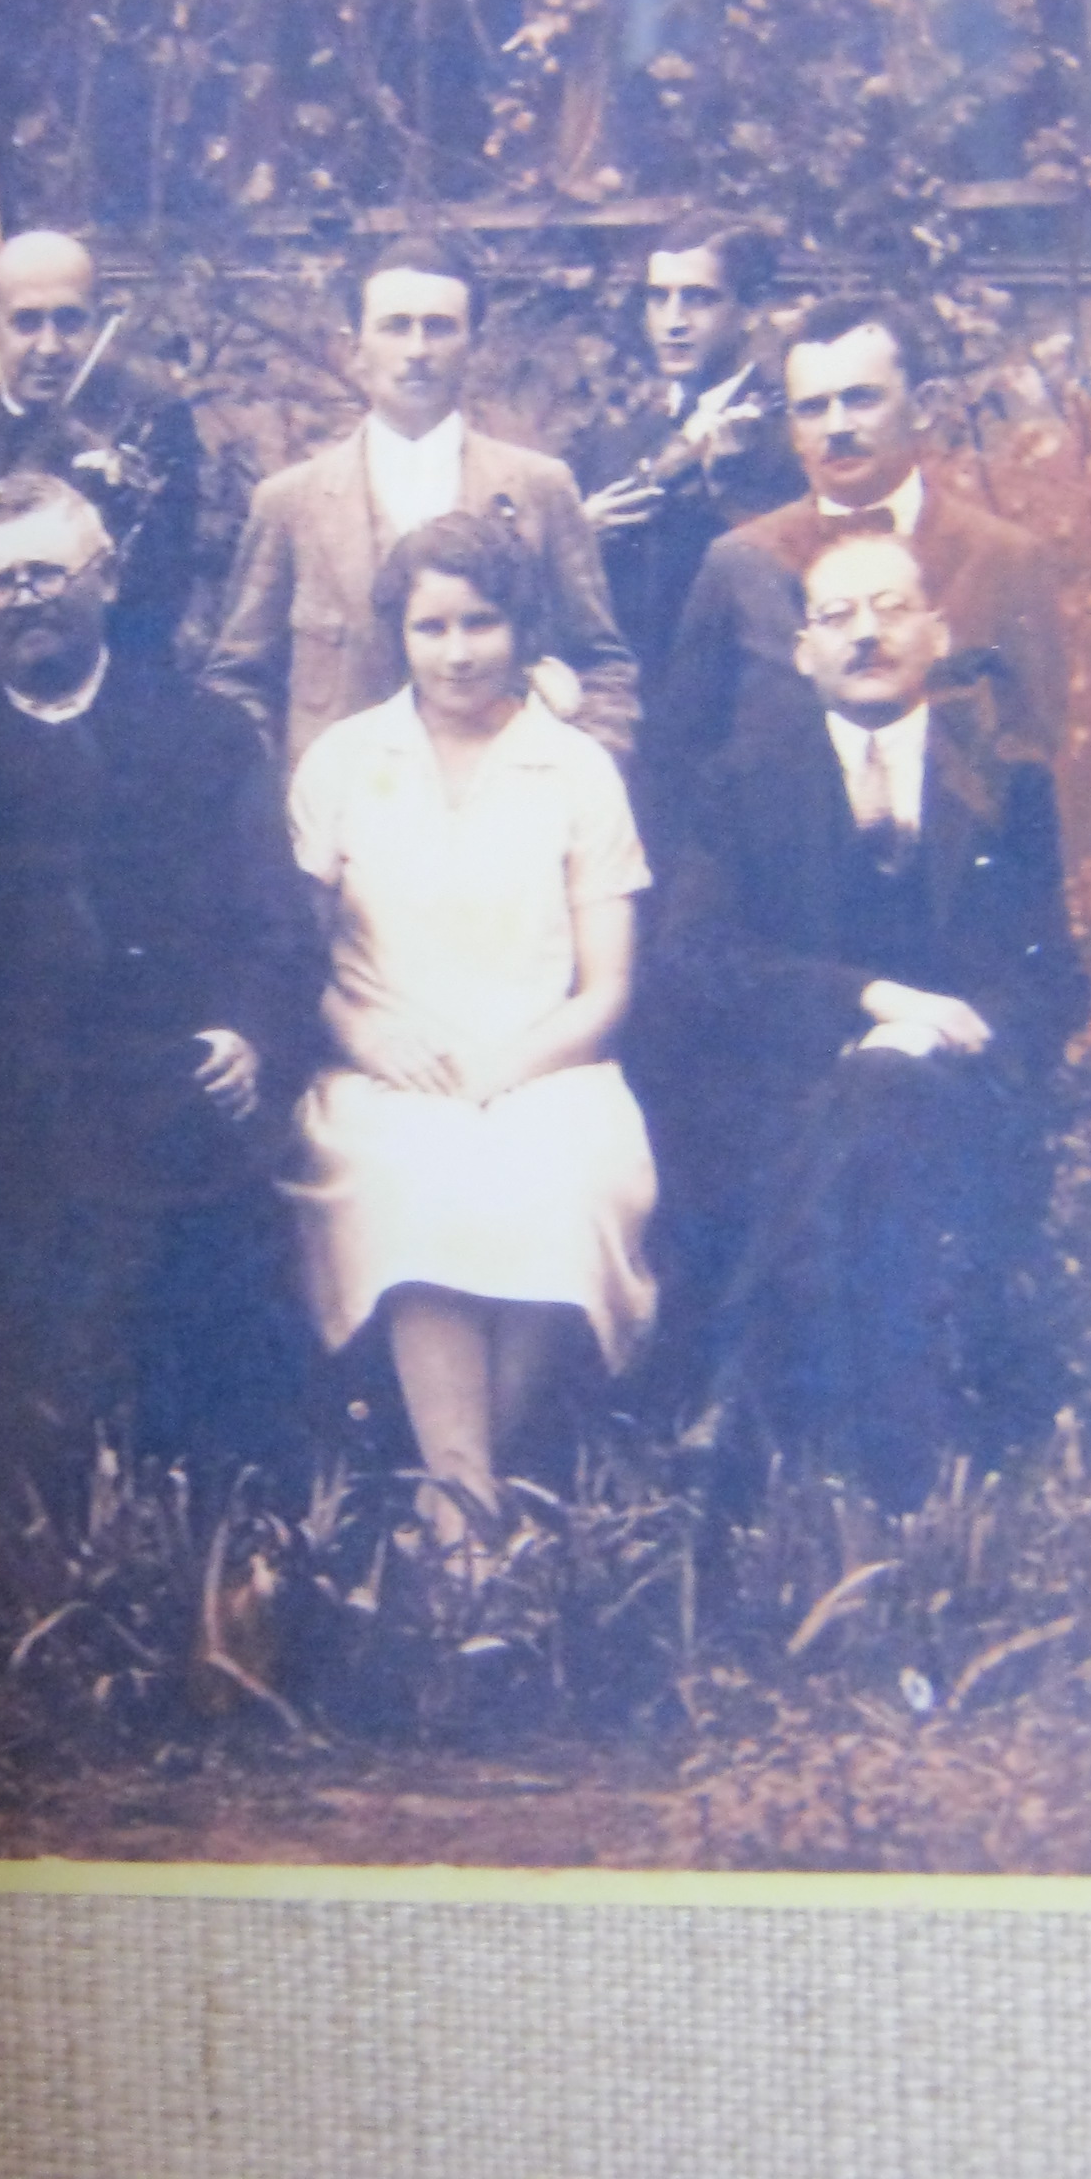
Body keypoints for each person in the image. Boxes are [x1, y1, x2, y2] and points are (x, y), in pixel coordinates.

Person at [0, 473, 318, 1513]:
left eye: (46, 573)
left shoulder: (202, 732)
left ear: (106, 580)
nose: (24, 599)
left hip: (163, 1083)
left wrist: (247, 1033)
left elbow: (273, 921)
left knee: (204, 1316)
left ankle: (203, 1528)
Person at [639, 531, 1091, 1508]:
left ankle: (742, 1399)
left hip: (958, 1090)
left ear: (938, 632)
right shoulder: (744, 779)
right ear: (803, 652)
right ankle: (903, 1479)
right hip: (787, 1090)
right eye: (837, 616)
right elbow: (696, 957)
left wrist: (946, 1033)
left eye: (891, 609)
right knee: (867, 1121)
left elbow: (1053, 981)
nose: (866, 635)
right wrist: (867, 1001)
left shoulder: (1005, 784)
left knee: (887, 1096)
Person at [280, 514, 660, 1555]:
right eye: (431, 627)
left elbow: (607, 988)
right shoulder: (344, 761)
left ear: (521, 628)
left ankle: (458, 1504)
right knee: (418, 1180)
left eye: (481, 623)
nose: (457, 652)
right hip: (381, 1065)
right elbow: (292, 959)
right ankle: (473, 1510)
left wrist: (508, 1066)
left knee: (561, 1179)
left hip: (547, 1059)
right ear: (397, 635)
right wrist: (364, 1034)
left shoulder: (575, 769)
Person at [202, 238, 636, 766]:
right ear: (354, 347)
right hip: (340, 806)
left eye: (439, 327)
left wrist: (579, 777)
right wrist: (291, 792)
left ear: (474, 345)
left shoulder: (540, 488)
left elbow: (602, 667)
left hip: (504, 800)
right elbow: (237, 683)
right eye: (395, 326)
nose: (417, 350)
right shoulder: (290, 503)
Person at [649, 293, 1065, 819]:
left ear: (922, 406)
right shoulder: (739, 565)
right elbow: (685, 764)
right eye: (812, 408)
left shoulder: (1003, 558)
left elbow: (1033, 757)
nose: (837, 427)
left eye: (862, 399)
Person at [0, 228, 201, 664]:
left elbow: (162, 591)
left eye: (69, 321)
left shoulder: (150, 425)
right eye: (26, 322)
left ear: (97, 320)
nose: (49, 347)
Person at [567, 211, 806, 688]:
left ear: (751, 309)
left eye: (699, 298)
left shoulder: (789, 436)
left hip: (744, 706)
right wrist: (578, 534)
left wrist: (727, 491)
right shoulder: (614, 445)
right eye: (659, 298)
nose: (674, 322)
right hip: (631, 710)